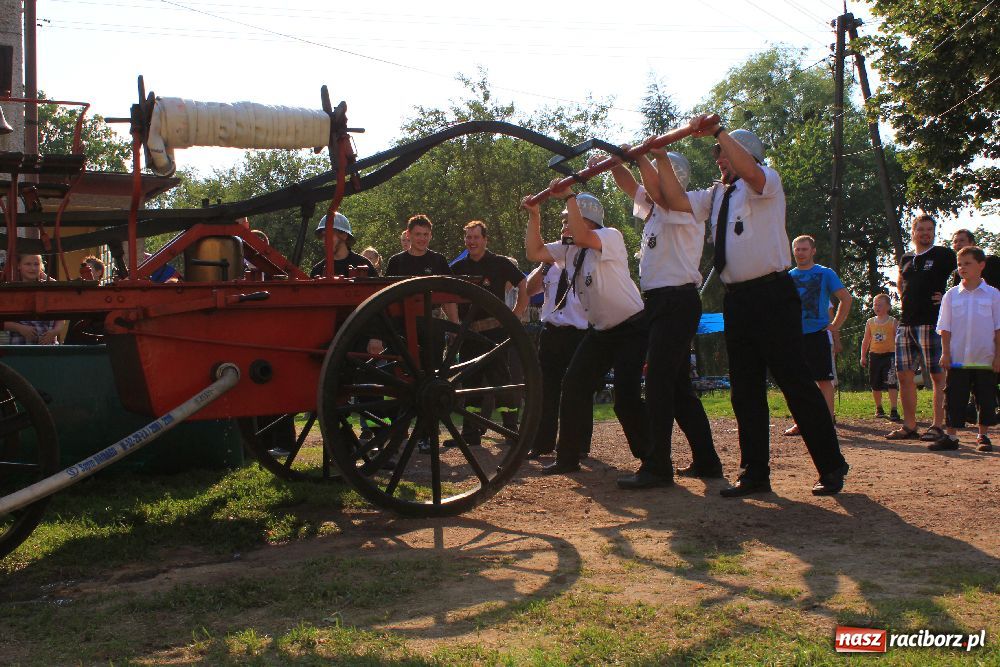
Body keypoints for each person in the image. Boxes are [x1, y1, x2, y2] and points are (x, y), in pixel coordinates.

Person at [654, 115, 848, 497]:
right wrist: (659, 157)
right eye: (717, 154)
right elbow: (673, 200)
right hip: (738, 300)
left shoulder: (766, 181)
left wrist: (718, 131)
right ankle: (755, 473)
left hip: (773, 295)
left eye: (724, 153)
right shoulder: (717, 195)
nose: (718, 159)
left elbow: (751, 172)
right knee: (744, 390)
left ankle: (831, 465)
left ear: (746, 154)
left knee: (795, 382)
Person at [600, 146, 722, 485]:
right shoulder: (655, 209)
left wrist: (641, 157)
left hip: (676, 301)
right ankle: (707, 461)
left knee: (657, 384)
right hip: (658, 303)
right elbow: (632, 187)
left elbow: (653, 190)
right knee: (679, 389)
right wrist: (614, 163)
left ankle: (657, 467)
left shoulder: (682, 208)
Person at [524, 184, 650, 479]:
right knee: (573, 385)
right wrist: (534, 216)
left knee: (626, 399)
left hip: (631, 327)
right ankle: (567, 458)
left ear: (587, 219)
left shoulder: (610, 236)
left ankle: (653, 461)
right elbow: (534, 252)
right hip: (601, 331)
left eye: (568, 219)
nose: (564, 226)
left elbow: (582, 236)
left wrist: (570, 195)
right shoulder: (569, 249)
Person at [445, 221, 528, 447]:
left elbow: (523, 283)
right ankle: (470, 434)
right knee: (470, 385)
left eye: (476, 237)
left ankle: (511, 430)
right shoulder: (458, 267)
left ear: (485, 239)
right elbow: (446, 295)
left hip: (495, 333)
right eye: (468, 238)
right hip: (469, 334)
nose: (471, 242)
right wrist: (455, 325)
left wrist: (515, 316)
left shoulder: (500, 263)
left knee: (500, 381)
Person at [522, 213, 592, 460]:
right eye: (562, 224)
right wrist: (544, 265)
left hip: (579, 333)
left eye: (568, 224)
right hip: (551, 332)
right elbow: (530, 289)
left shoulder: (586, 256)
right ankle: (542, 443)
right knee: (546, 390)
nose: (564, 228)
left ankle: (579, 445)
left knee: (578, 389)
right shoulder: (550, 261)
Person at [886, 214, 957, 442]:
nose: (926, 233)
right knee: (904, 375)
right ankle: (909, 425)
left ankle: (937, 426)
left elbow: (966, 271)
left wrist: (949, 297)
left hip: (932, 322)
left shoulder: (943, 254)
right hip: (906, 323)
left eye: (930, 230)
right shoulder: (906, 258)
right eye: (922, 229)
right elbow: (901, 282)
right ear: (913, 232)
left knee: (937, 375)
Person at [784, 235, 853, 435]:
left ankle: (827, 423)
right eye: (797, 249)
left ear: (813, 251)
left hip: (818, 334)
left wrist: (835, 325)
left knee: (824, 380)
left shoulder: (825, 273)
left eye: (804, 249)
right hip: (795, 336)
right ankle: (800, 423)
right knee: (796, 381)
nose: (800, 253)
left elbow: (846, 298)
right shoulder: (788, 277)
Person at [933, 245, 1000, 452]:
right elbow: (945, 327)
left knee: (985, 398)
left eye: (967, 263)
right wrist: (945, 353)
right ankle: (951, 436)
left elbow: (998, 328)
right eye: (960, 264)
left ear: (981, 265)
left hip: (984, 357)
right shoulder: (951, 295)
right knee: (954, 397)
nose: (962, 267)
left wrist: (998, 356)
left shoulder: (993, 295)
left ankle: (983, 436)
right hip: (958, 357)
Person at [3, 254, 65, 345]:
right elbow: (3, 322)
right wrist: (20, 328)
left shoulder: (49, 290)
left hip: (49, 348)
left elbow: (61, 318)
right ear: (19, 266)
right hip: (20, 348)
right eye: (28, 264)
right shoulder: (12, 291)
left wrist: (54, 332)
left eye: (36, 264)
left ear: (41, 267)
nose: (32, 268)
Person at [861, 294, 900, 421]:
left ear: (888, 307)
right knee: (875, 383)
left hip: (890, 356)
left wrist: (900, 355)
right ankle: (879, 408)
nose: (877, 307)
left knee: (892, 383)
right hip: (874, 356)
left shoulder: (893, 321)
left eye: (880, 305)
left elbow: (899, 340)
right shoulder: (870, 322)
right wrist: (863, 356)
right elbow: (866, 340)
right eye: (875, 305)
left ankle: (894, 409)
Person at [309, 213, 378, 278]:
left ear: (344, 235)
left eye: (329, 235)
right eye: (323, 236)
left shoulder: (363, 265)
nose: (325, 240)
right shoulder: (318, 270)